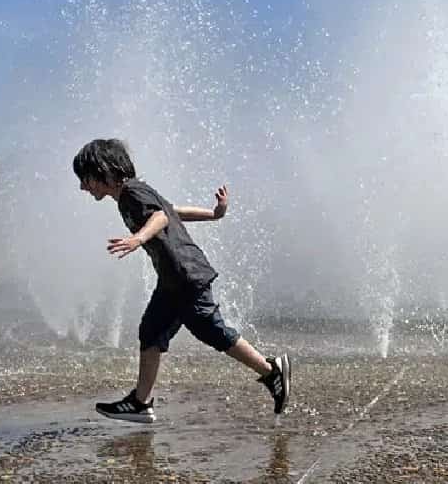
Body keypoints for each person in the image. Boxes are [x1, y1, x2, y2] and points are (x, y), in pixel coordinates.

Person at [73, 138, 290, 423]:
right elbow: (173, 210)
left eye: (85, 179)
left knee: (210, 329)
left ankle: (271, 371)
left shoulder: (131, 194)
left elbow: (162, 217)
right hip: (172, 279)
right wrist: (213, 214)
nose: (82, 187)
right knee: (151, 331)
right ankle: (140, 402)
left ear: (104, 170)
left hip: (186, 275)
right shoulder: (134, 193)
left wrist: (138, 238)